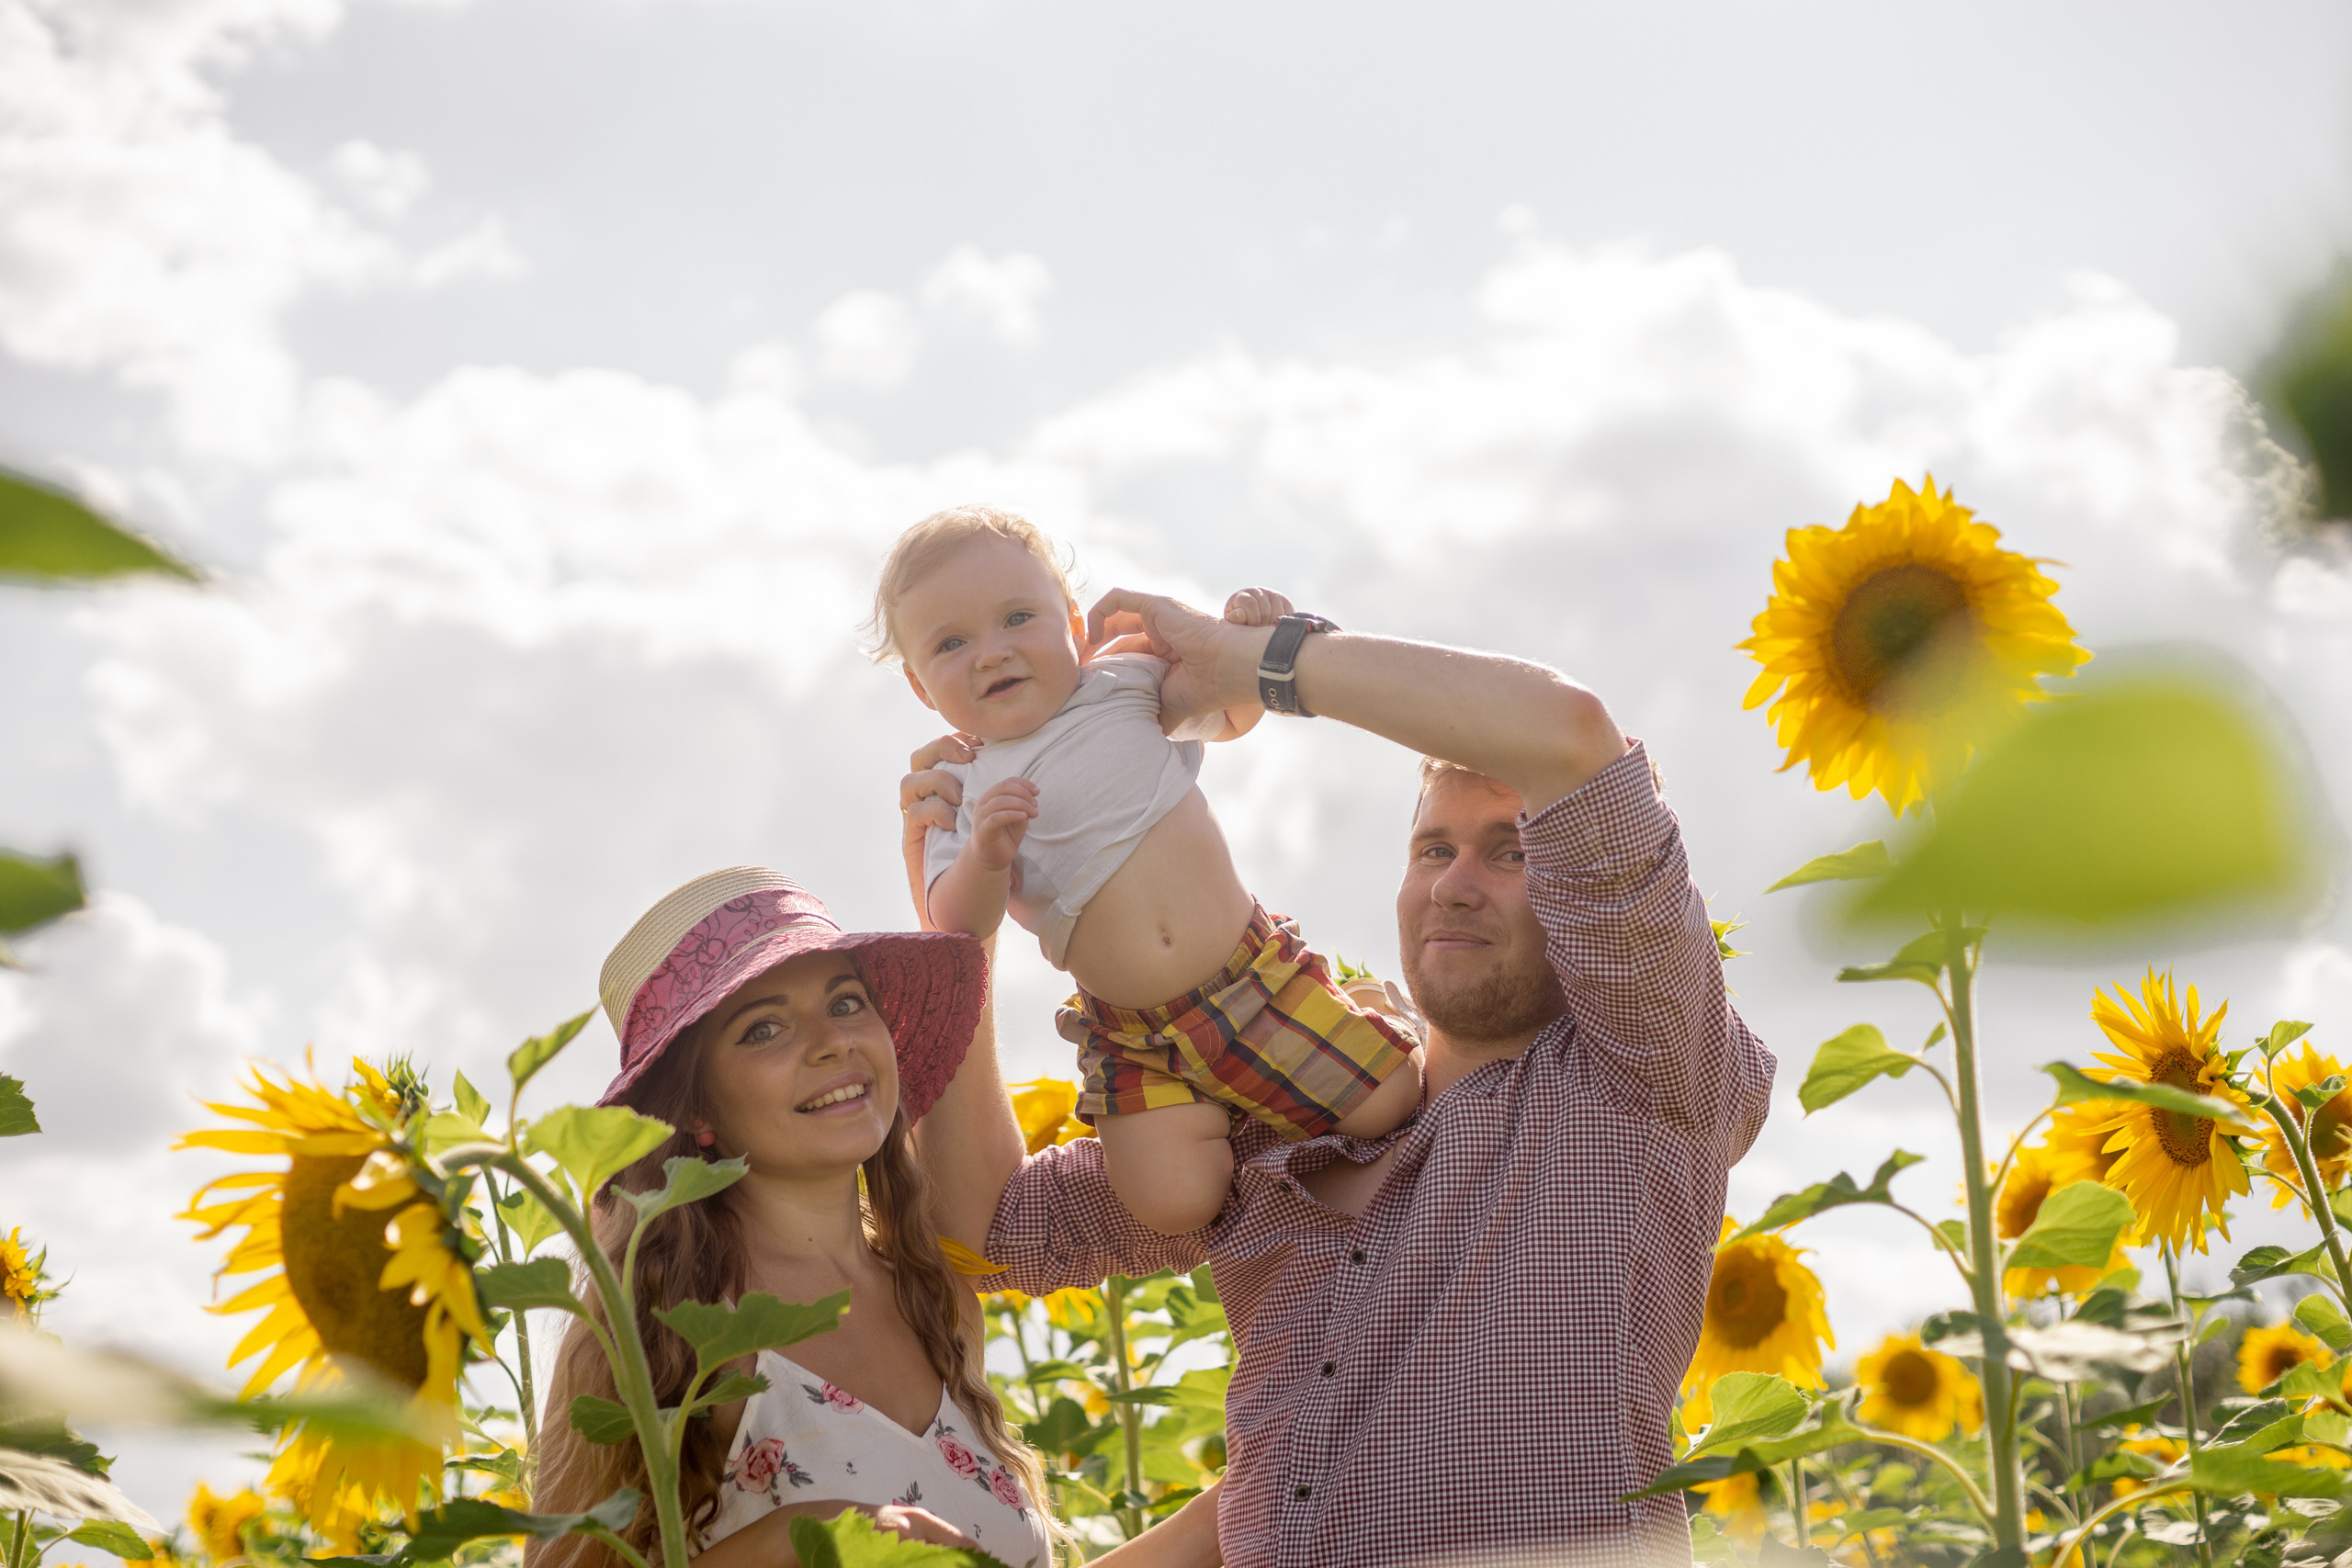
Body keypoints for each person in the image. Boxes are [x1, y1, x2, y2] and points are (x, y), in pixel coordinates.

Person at [900, 591, 1777, 1567]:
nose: (1453, 882)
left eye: (1512, 852)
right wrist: (954, 947)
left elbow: (1569, 739)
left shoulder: (1639, 1074)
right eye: (1432, 849)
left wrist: (1258, 665)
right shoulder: (1265, 1100)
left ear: (1579, 887)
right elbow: (988, 1231)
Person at [868, 505, 1419, 1235]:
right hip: (1134, 1036)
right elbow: (954, 924)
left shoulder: (1122, 684)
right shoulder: (962, 789)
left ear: (1073, 622)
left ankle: (1364, 1017)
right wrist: (985, 858)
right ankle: (1223, 1118)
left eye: (1016, 617)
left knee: (1393, 1099)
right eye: (951, 642)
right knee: (1174, 1204)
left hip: (1252, 979)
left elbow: (1229, 711)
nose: (990, 652)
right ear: (918, 686)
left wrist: (1248, 632)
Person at [527, 869, 1057, 1568]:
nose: (832, 1041)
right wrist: (809, 1535)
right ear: (696, 1110)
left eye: (846, 1002)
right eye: (765, 1027)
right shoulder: (661, 1325)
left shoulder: (937, 1301)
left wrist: (1229, 1508)